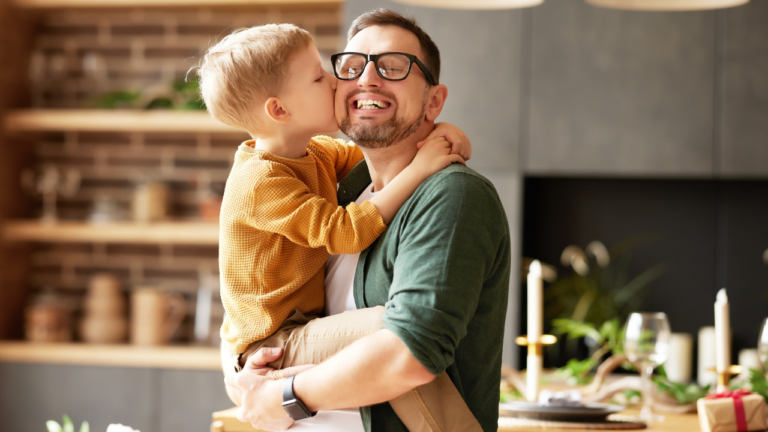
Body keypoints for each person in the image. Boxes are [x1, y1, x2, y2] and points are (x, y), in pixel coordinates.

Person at [225, 9, 512, 432]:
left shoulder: (451, 195)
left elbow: (408, 353)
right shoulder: (331, 184)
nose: (367, 79)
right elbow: (245, 295)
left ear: (433, 101)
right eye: (351, 66)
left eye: (393, 67)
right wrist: (240, 374)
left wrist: (285, 396)